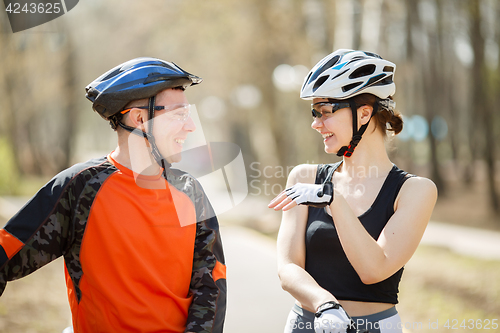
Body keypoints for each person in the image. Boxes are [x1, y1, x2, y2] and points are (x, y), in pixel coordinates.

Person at [0, 57, 226, 333]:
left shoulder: (191, 192)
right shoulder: (80, 187)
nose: (190, 126)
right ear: (140, 118)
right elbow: (5, 256)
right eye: (179, 114)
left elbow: (211, 286)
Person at [268, 49, 437, 333]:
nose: (315, 123)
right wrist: (325, 304)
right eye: (314, 113)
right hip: (307, 323)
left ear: (364, 113)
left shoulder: (415, 190)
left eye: (324, 112)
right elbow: (287, 269)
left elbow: (374, 270)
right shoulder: (304, 176)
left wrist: (335, 200)